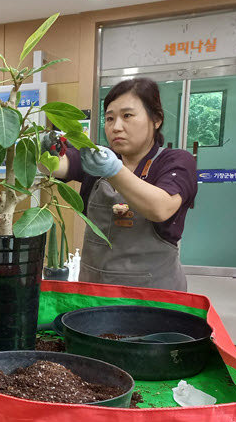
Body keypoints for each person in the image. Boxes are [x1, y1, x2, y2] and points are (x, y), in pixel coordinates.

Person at [50, 77, 198, 290]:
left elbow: (160, 208)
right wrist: (43, 151)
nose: (116, 127)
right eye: (109, 119)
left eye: (127, 116)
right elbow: (57, 166)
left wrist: (113, 170)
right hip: (94, 290)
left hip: (152, 294)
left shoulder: (176, 160)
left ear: (156, 119)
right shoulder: (99, 157)